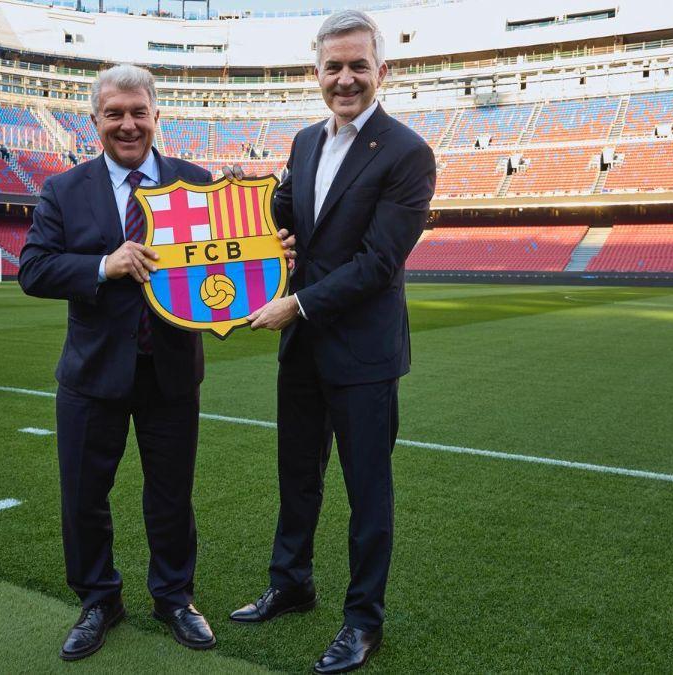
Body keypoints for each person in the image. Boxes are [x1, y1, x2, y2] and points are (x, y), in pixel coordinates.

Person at [19, 63, 296, 662]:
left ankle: (174, 597)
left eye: (138, 112)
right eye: (114, 113)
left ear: (155, 116)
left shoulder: (197, 183)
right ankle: (99, 599)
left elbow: (232, 260)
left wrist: (272, 256)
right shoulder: (63, 189)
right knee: (84, 495)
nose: (127, 124)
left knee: (171, 495)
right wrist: (102, 265)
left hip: (171, 371)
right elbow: (33, 270)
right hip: (92, 375)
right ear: (94, 121)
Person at [228, 10, 436, 674]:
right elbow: (285, 215)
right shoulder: (303, 143)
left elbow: (379, 263)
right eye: (333, 67)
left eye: (357, 65)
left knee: (367, 491)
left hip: (363, 354)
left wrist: (298, 303)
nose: (344, 79)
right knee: (298, 477)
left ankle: (362, 620)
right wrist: (264, 230)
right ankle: (291, 582)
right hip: (304, 352)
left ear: (383, 70)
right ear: (314, 72)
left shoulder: (407, 153)